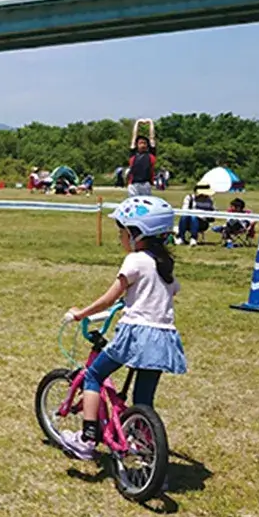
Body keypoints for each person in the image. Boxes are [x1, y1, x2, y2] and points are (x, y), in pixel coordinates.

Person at [58, 195, 187, 461]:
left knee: (94, 375)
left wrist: (81, 313)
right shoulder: (166, 267)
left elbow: (109, 297)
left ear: (135, 233)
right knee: (143, 400)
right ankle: (146, 450)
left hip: (136, 334)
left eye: (122, 232)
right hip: (163, 338)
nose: (120, 238)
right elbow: (165, 295)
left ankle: (87, 439)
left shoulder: (135, 260)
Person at [127, 119, 157, 196]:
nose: (142, 144)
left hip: (146, 184)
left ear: (147, 145)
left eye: (144, 143)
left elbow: (152, 137)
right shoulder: (133, 154)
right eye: (140, 143)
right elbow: (134, 137)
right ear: (137, 145)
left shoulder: (150, 154)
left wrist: (150, 122)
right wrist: (137, 122)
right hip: (133, 184)